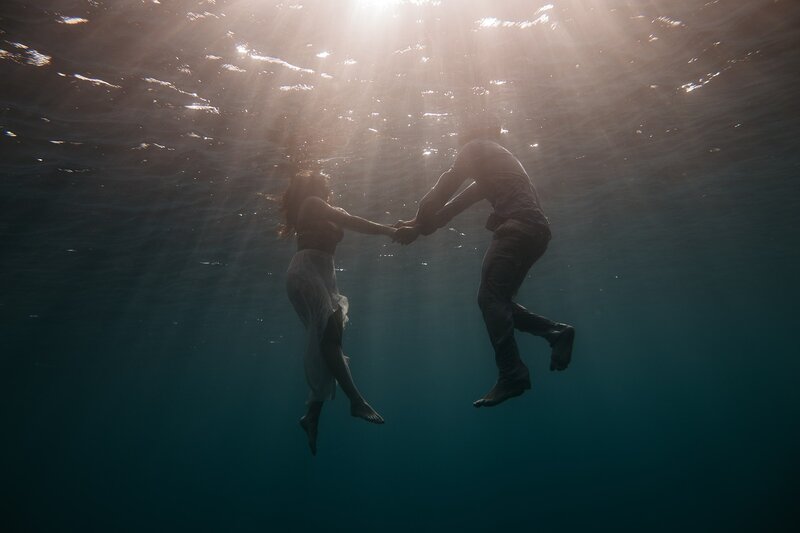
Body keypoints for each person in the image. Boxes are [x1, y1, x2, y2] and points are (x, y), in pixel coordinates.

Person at [394, 115, 575, 408]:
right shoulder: (496, 163)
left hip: (516, 228)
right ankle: (556, 332)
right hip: (537, 232)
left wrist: (417, 221)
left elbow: (438, 195)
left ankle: (512, 373)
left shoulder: (475, 147)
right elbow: (448, 211)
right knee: (497, 300)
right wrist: (416, 226)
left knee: (490, 299)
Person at [280, 170, 396, 455]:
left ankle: (311, 416)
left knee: (328, 343)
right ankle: (356, 401)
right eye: (323, 180)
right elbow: (352, 222)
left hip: (321, 274)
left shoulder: (322, 206)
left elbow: (346, 218)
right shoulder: (311, 203)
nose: (327, 182)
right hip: (307, 271)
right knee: (329, 341)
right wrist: (391, 230)